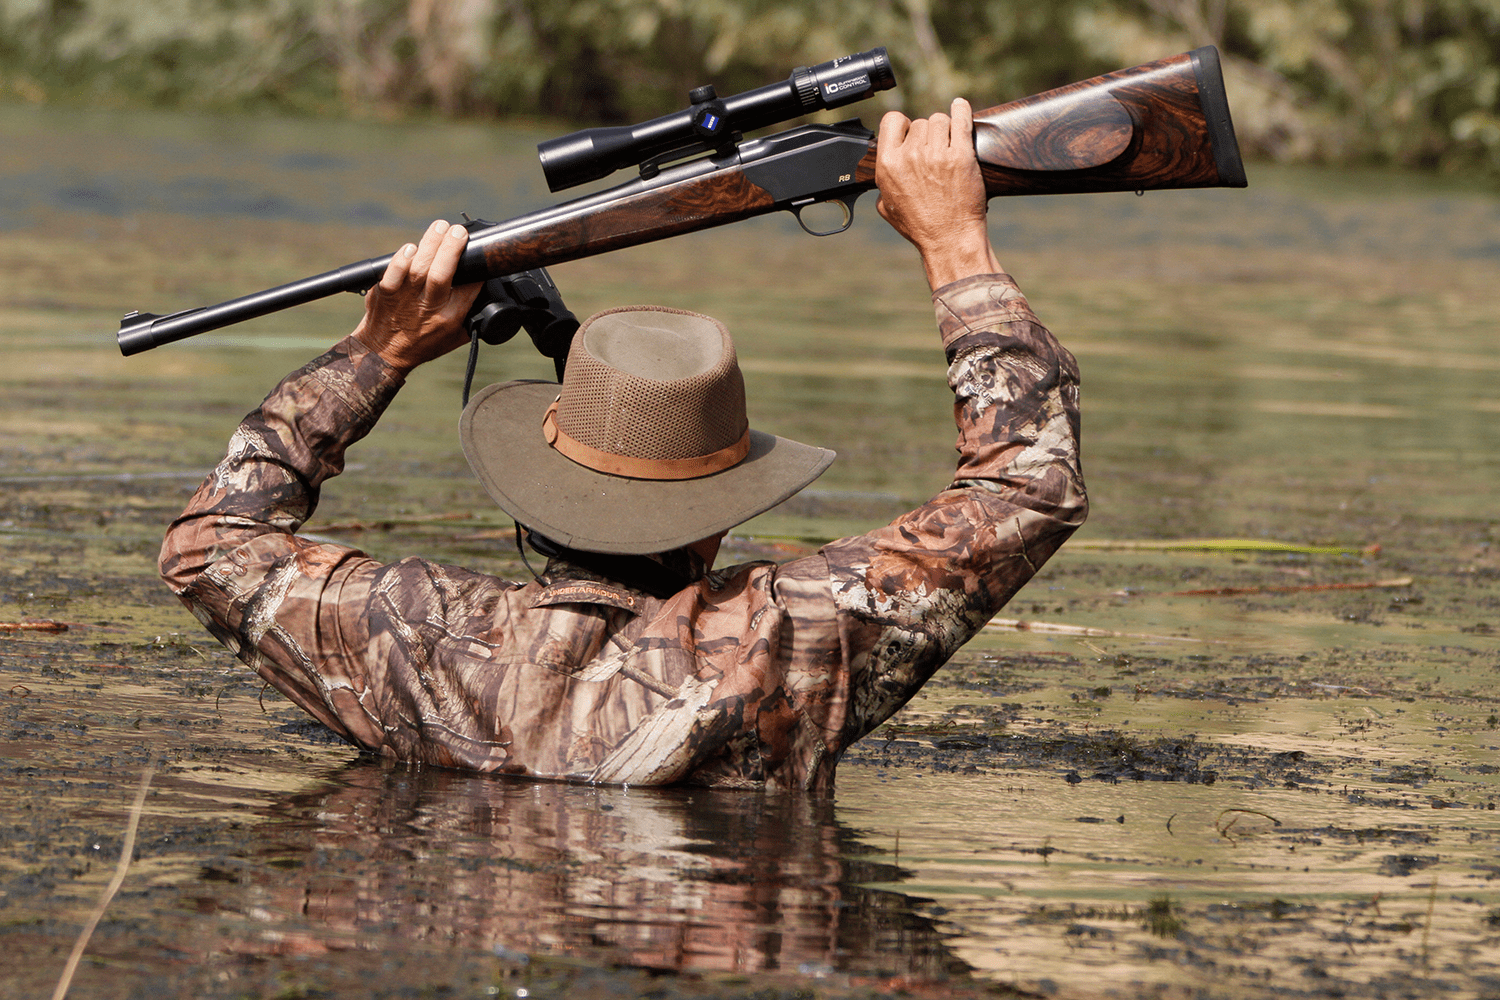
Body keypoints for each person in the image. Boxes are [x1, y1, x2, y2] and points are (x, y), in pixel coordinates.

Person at [159, 99, 1086, 792]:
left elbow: (209, 544)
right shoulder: (788, 636)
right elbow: (1028, 489)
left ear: (537, 492)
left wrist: (382, 350)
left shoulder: (411, 638)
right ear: (721, 524)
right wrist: (956, 242)